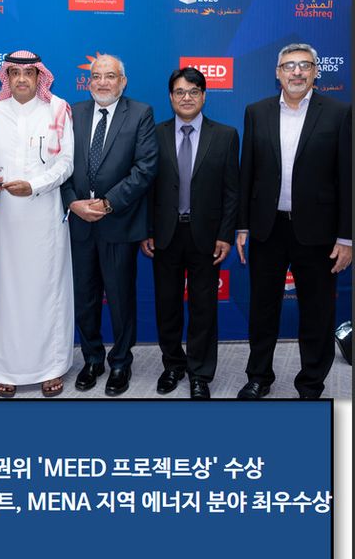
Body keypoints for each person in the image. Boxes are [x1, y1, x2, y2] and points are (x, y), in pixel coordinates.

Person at [236, 43, 352, 399]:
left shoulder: (339, 113)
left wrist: (346, 238)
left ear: (316, 72)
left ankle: (311, 384)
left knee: (317, 312)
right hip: (267, 228)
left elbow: (347, 177)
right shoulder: (257, 112)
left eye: (304, 65)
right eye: (289, 66)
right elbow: (247, 172)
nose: (297, 72)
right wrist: (242, 225)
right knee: (262, 309)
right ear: (278, 73)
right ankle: (259, 377)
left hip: (318, 232)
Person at [0, 50, 75, 398]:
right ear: (6, 77)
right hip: (6, 216)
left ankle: (50, 368)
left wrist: (35, 185)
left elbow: (66, 163)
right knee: (7, 292)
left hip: (45, 213)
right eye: (14, 73)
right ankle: (5, 368)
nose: (20, 79)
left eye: (28, 73)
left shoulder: (58, 109)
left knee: (46, 291)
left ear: (39, 77)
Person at [61, 54, 158, 396]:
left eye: (110, 76)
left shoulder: (141, 113)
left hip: (118, 221)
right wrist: (72, 201)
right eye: (96, 76)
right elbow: (59, 164)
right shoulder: (73, 113)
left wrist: (107, 203)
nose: (102, 82)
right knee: (85, 298)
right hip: (79, 223)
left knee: (120, 298)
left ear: (123, 81)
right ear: (88, 81)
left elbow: (145, 168)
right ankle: (92, 359)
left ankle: (120, 362)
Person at [141, 67, 239, 398]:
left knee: (204, 308)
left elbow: (232, 191)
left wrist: (225, 234)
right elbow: (146, 188)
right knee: (167, 305)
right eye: (180, 92)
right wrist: (147, 230)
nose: (187, 98)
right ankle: (173, 365)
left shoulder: (225, 136)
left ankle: (200, 373)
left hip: (207, 237)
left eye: (194, 91)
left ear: (204, 96)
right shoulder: (154, 134)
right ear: (171, 97)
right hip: (165, 235)